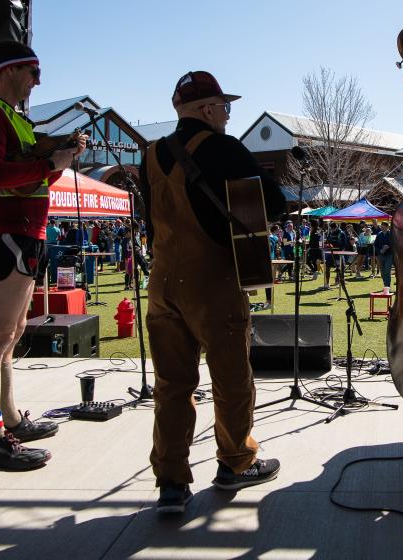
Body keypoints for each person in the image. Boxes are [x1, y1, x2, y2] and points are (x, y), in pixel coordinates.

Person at [140, 70, 286, 514]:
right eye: (225, 105)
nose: (227, 113)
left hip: (162, 280)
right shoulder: (223, 147)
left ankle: (170, 483)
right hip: (213, 280)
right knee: (230, 378)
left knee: (171, 384)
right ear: (207, 110)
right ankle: (236, 462)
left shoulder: (149, 154)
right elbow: (275, 203)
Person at [0, 40, 85, 470]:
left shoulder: (10, 115)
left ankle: (9, 421)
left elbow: (31, 181)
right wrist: (52, 164)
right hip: (8, 231)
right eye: (33, 72)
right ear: (11, 70)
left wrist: (59, 160)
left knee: (10, 335)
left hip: (23, 231)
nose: (37, 81)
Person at [373, 221, 393, 293]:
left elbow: (394, 244)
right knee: (382, 272)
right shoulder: (379, 234)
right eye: (381, 226)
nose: (382, 227)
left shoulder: (391, 234)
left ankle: (387, 286)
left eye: (383, 226)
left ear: (387, 227)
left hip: (389, 255)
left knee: (387, 270)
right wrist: (380, 250)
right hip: (380, 255)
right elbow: (375, 244)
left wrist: (388, 247)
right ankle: (385, 286)